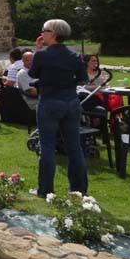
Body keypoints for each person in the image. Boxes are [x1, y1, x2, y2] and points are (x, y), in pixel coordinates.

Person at [29, 19, 88, 197]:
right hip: (71, 102)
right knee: (74, 147)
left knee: (47, 146)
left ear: (53, 34)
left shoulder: (42, 55)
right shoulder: (75, 55)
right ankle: (78, 189)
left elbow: (32, 73)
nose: (41, 34)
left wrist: (38, 50)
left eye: (44, 30)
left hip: (49, 102)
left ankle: (45, 190)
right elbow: (82, 78)